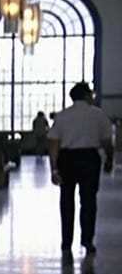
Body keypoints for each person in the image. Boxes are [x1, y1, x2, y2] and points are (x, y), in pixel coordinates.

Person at [49, 82, 115, 264]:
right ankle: (87, 241)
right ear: (86, 95)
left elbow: (53, 144)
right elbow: (107, 141)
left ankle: (66, 242)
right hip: (89, 159)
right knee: (88, 202)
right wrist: (109, 160)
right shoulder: (98, 115)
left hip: (67, 159)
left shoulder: (62, 116)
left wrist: (54, 168)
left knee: (66, 201)